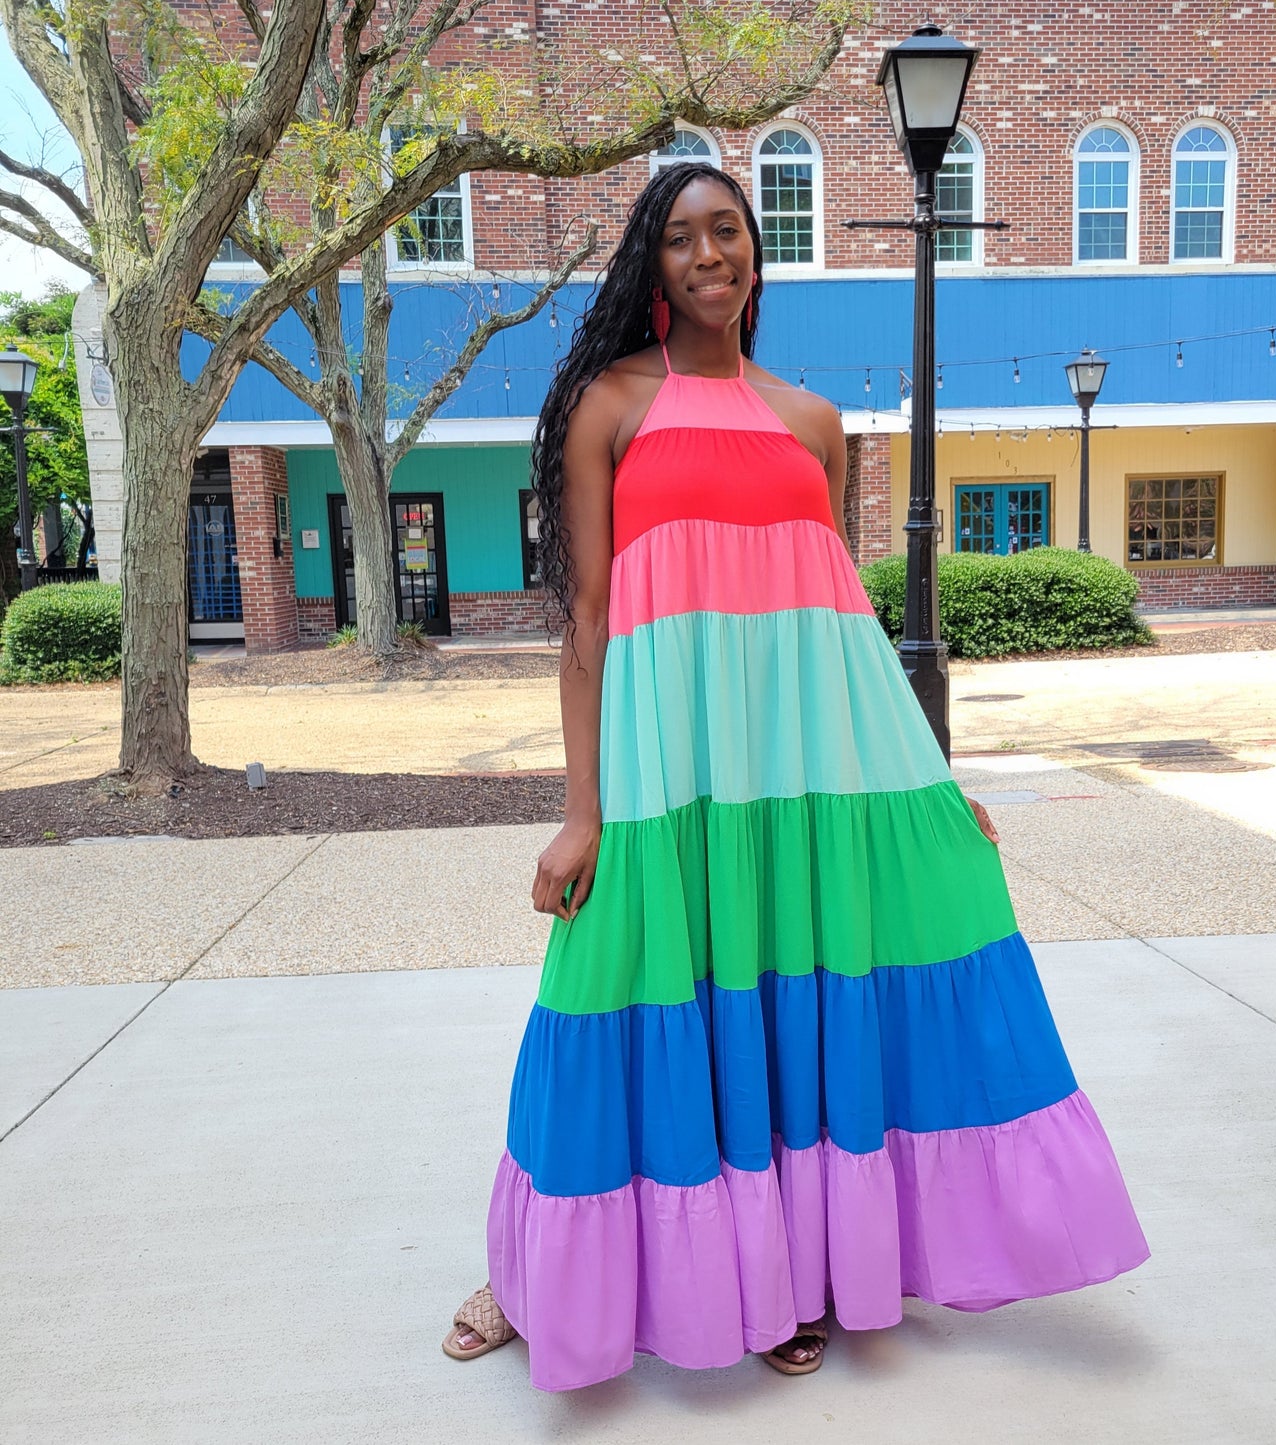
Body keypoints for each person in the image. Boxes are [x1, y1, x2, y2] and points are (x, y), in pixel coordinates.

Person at [441, 161, 1148, 1391]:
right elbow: (590, 621)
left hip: (798, 779)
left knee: (779, 1018)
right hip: (671, 775)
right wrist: (579, 812)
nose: (708, 254)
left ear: (756, 253)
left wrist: (923, 783)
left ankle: (771, 1276)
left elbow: (837, 628)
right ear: (648, 264)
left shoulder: (814, 422)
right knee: (604, 1000)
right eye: (679, 238)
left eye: (728, 232)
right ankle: (534, 1272)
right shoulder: (611, 404)